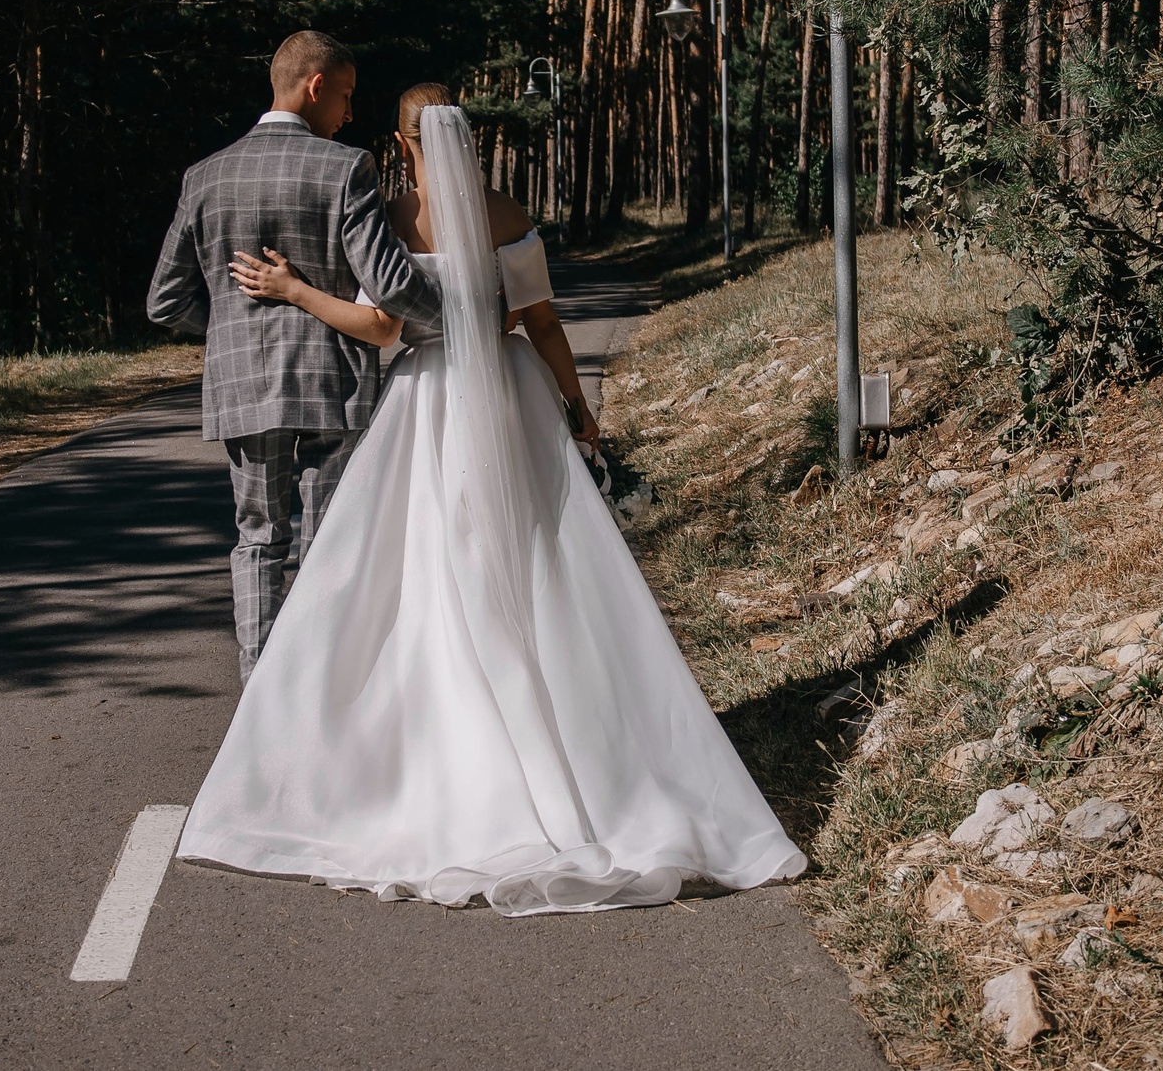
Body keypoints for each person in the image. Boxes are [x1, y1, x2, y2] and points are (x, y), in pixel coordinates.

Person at [174, 85, 805, 915]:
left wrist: (293, 290)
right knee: (545, 565)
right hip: (512, 397)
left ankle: (430, 752)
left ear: (403, 147)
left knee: (422, 570)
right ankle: (583, 749)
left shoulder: (393, 216)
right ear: (466, 140)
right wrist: (579, 410)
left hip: (427, 401)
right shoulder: (507, 214)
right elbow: (542, 323)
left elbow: (380, 329)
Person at [146, 31, 445, 682]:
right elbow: (391, 283)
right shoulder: (344, 168)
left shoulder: (205, 175)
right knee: (327, 540)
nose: (348, 112)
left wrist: (229, 329)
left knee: (258, 536)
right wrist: (457, 314)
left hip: (243, 386)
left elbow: (164, 301)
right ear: (315, 86)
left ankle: (260, 693)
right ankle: (315, 693)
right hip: (333, 383)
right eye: (344, 95)